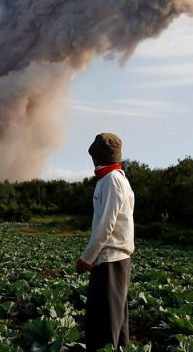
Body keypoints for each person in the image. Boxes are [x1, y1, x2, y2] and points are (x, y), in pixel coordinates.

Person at [76, 132, 135, 351]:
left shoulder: (111, 181)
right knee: (116, 322)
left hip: (110, 261)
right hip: (116, 260)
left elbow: (105, 228)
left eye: (93, 155)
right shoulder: (118, 179)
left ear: (97, 157)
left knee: (105, 324)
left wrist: (86, 258)